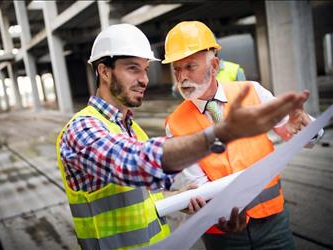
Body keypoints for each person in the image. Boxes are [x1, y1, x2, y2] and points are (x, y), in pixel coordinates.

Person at [56, 23, 310, 250]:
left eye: (145, 69)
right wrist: (221, 133)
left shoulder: (133, 130)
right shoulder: (82, 128)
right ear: (105, 71)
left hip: (270, 219)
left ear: (214, 65)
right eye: (133, 69)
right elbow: (134, 163)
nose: (144, 79)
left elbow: (144, 199)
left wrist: (183, 198)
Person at [162, 21, 323, 250]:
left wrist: (307, 129)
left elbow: (301, 138)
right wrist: (219, 213)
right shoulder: (175, 123)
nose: (182, 77)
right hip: (222, 233)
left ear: (214, 65)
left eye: (190, 66)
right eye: (177, 69)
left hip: (273, 223)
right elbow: (198, 184)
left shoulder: (253, 92)